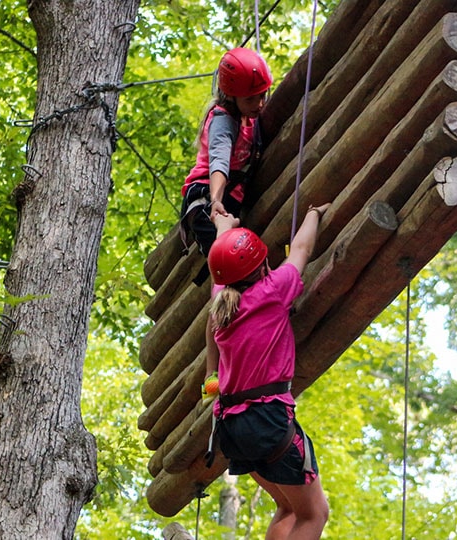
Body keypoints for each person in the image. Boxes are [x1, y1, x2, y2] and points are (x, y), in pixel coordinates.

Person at [204, 204, 331, 540]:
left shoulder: (222, 301)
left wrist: (223, 225)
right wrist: (314, 214)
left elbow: (221, 263)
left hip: (232, 429)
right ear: (263, 265)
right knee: (315, 514)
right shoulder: (273, 290)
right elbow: (302, 249)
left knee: (289, 508)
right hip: (269, 423)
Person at [180, 47, 272, 268]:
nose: (259, 104)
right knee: (230, 265)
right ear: (232, 96)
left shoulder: (249, 118)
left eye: (262, 95)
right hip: (206, 199)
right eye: (251, 99)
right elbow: (219, 162)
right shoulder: (222, 121)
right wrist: (216, 201)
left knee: (247, 264)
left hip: (231, 201)